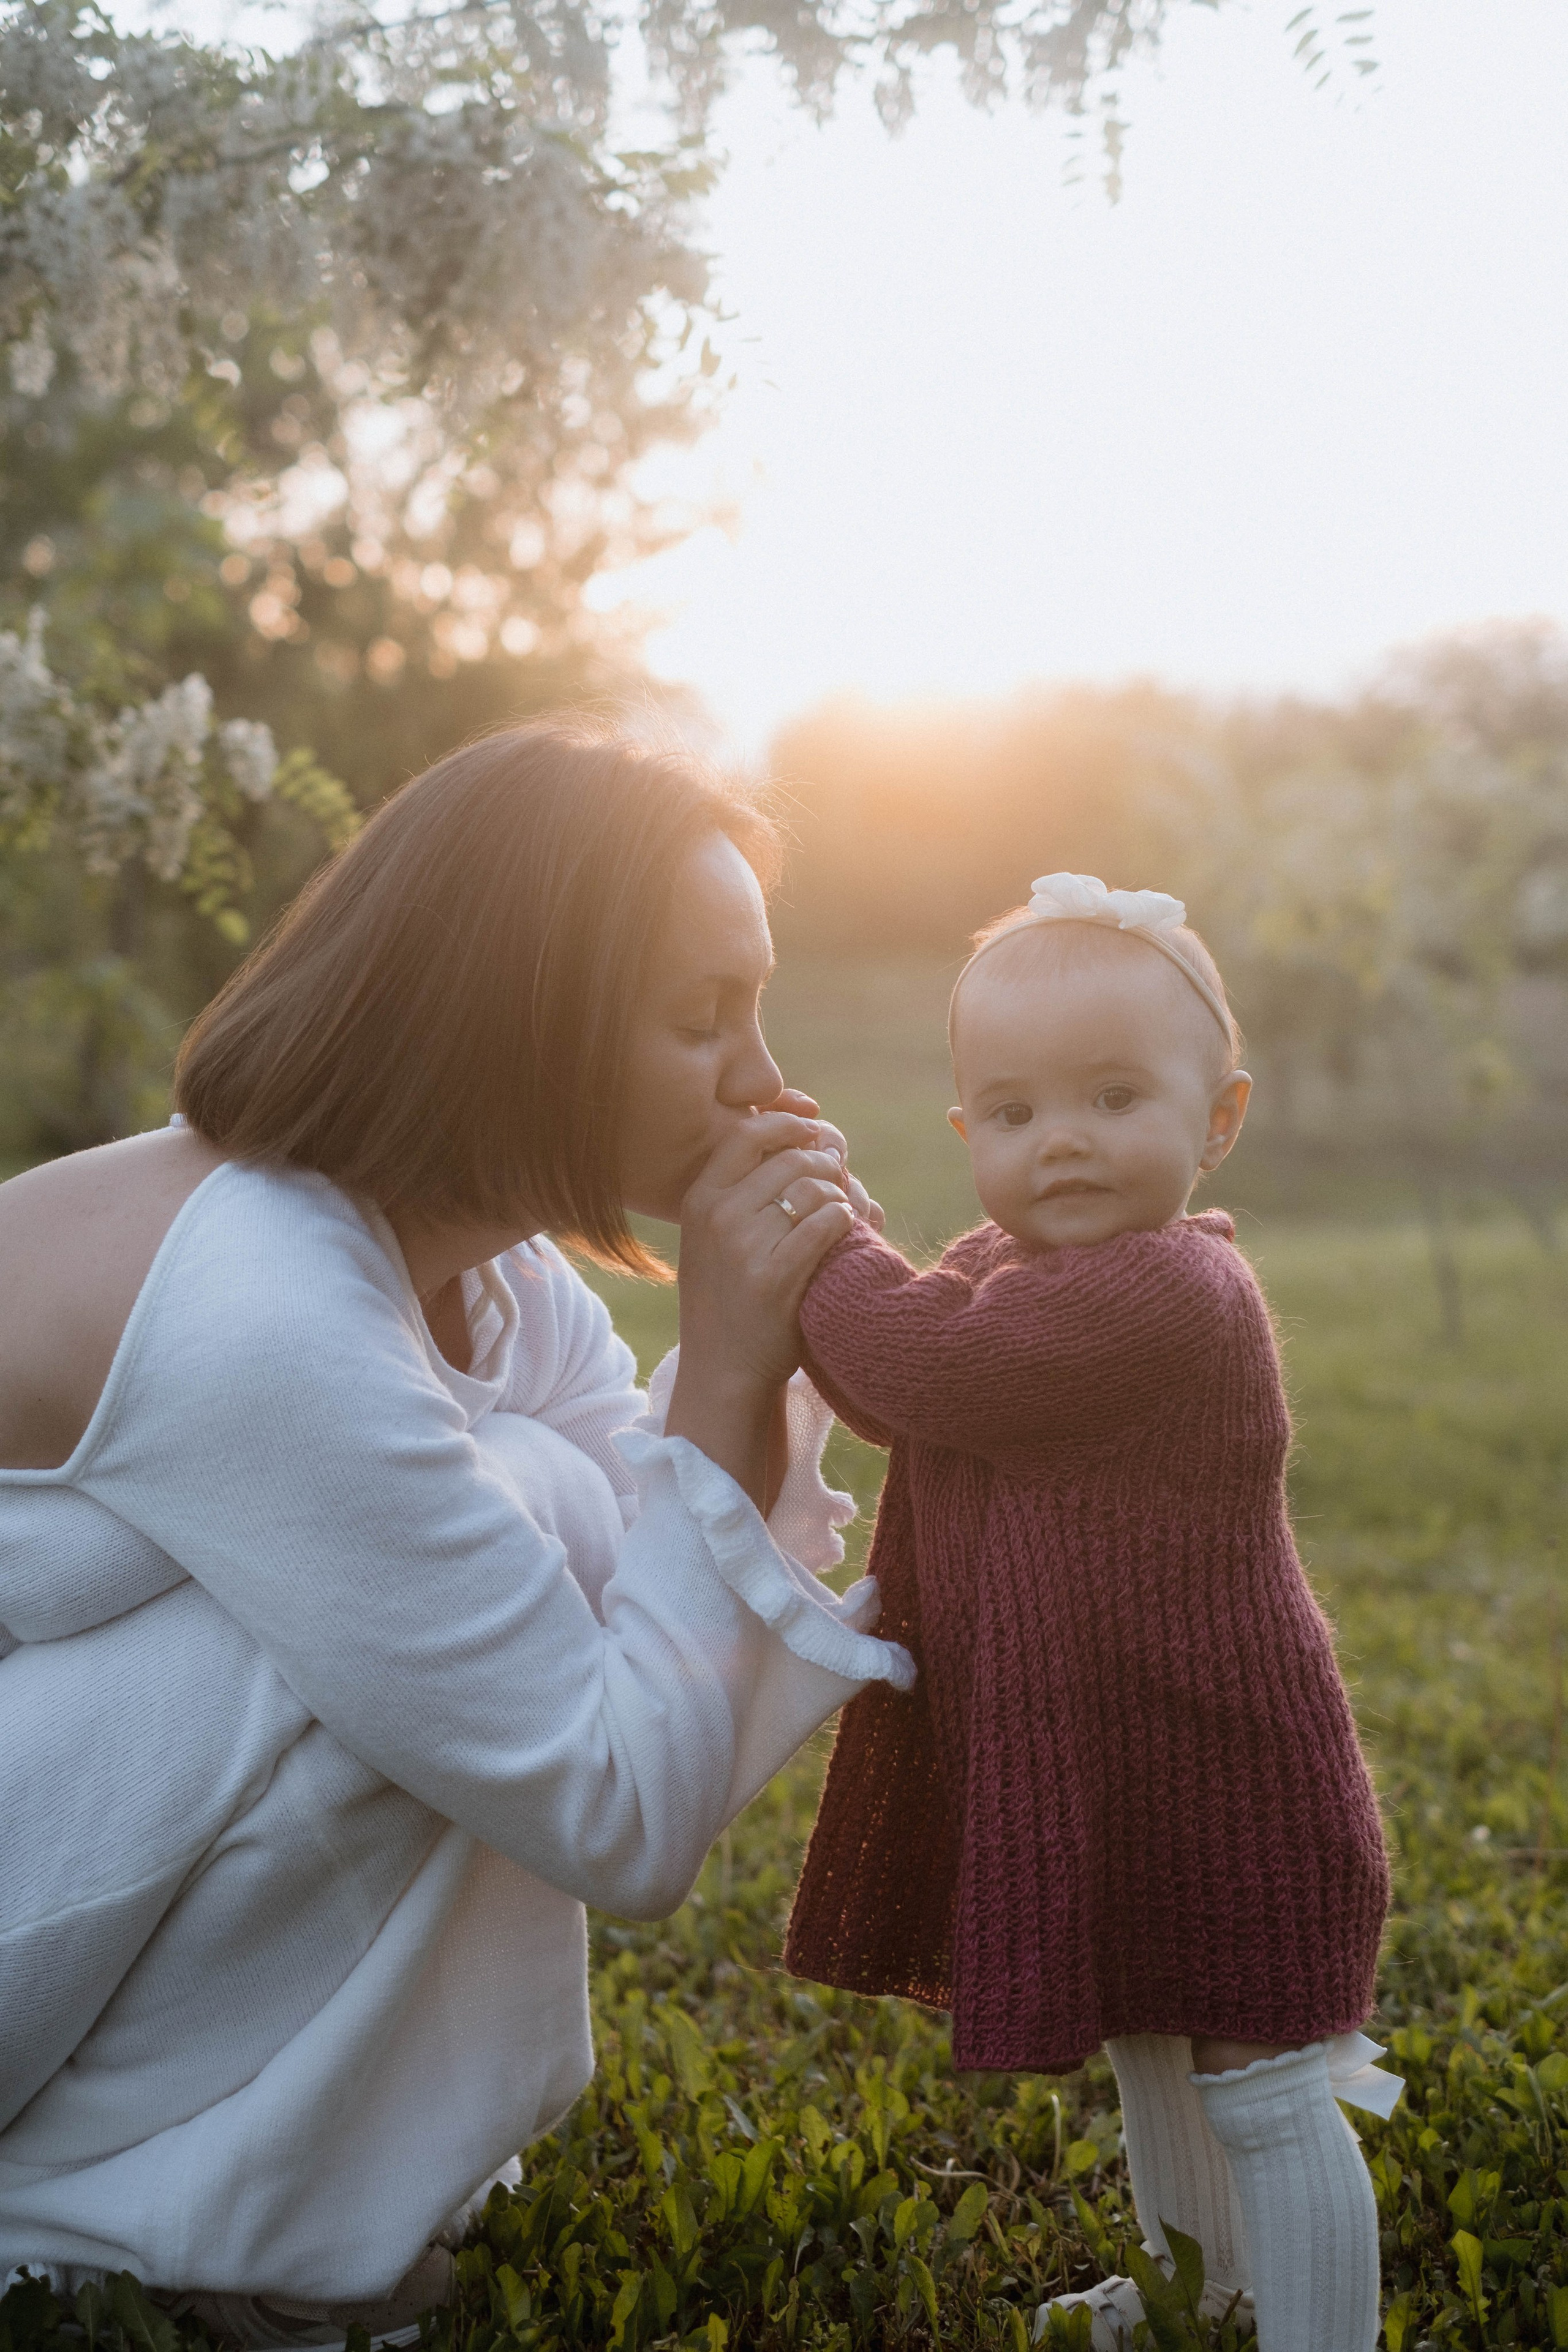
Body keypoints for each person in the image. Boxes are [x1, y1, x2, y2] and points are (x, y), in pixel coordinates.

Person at [0, 718, 914, 2343]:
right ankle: (103, 2214)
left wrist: (765, 1363)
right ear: (527, 1024)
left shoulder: (488, 1276)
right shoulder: (266, 1310)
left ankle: (241, 2177)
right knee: (354, 1627)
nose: (766, 1081)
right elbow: (617, 1807)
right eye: (703, 1020)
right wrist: (711, 1366)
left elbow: (646, 1581)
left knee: (528, 1516)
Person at [780, 873, 1398, 2352]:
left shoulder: (1170, 1291)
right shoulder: (1009, 1273)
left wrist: (812, 1242)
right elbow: (904, 1362)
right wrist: (853, 1247)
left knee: (1254, 2085)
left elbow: (931, 1370)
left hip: (1230, 1786)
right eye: (1011, 1112)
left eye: (1113, 1095)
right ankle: (1205, 2293)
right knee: (1149, 2042)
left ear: (1217, 1119)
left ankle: (1314, 2329)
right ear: (967, 1136)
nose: (1058, 1137)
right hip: (1120, 1778)